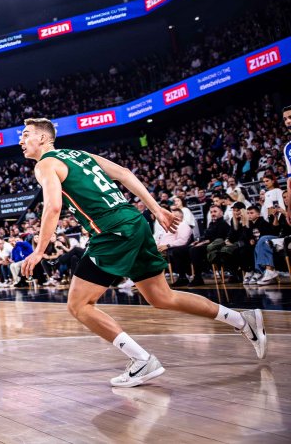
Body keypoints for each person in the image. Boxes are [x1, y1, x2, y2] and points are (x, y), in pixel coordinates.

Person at [18, 118, 266, 388]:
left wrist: (40, 250)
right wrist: (156, 209)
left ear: (43, 139)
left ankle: (142, 360)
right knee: (161, 296)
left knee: (78, 305)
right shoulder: (80, 155)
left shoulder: (45, 164)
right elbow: (124, 172)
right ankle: (243, 320)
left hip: (112, 229)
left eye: (26, 134)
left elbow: (53, 207)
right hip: (135, 222)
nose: (21, 139)